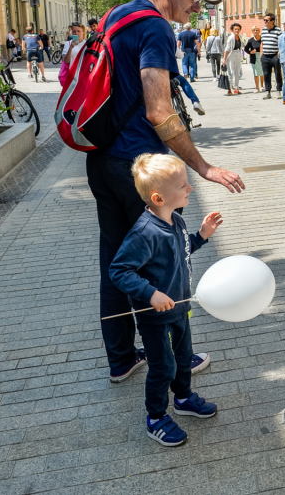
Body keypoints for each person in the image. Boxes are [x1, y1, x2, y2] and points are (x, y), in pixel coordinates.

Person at [85, 0, 244, 385]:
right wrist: (204, 167)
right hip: (139, 167)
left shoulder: (118, 14)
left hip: (101, 160)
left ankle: (121, 359)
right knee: (163, 265)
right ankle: (177, 357)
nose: (197, 7)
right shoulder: (154, 26)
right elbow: (159, 109)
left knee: (116, 264)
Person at [109, 154, 222, 447]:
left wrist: (201, 236)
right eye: (184, 186)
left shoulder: (177, 219)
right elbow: (119, 271)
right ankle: (156, 418)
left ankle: (183, 398)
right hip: (155, 317)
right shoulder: (144, 233)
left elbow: (180, 250)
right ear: (159, 198)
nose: (190, 189)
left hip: (181, 308)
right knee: (163, 368)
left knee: (184, 359)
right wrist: (150, 293)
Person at [259, 13, 283, 99]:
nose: (265, 22)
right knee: (266, 74)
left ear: (272, 21)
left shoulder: (278, 30)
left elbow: (281, 43)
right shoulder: (264, 30)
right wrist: (261, 54)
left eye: (267, 20)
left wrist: (279, 53)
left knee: (278, 73)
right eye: (264, 20)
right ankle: (268, 92)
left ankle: (279, 91)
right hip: (265, 56)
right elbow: (262, 43)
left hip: (275, 56)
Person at [223, 23, 244, 95]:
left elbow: (242, 46)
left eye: (238, 29)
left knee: (237, 72)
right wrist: (224, 59)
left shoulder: (240, 37)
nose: (237, 30)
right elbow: (227, 48)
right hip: (231, 55)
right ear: (232, 30)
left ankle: (236, 88)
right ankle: (229, 89)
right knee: (230, 72)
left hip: (238, 54)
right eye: (235, 29)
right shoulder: (231, 38)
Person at [245, 26, 264, 92]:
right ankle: (257, 88)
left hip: (262, 57)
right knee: (256, 73)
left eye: (257, 30)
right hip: (254, 58)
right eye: (254, 30)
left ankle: (262, 86)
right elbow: (246, 49)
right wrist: (251, 52)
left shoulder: (262, 39)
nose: (255, 31)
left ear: (259, 31)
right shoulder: (250, 40)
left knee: (262, 72)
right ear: (252, 32)